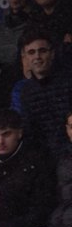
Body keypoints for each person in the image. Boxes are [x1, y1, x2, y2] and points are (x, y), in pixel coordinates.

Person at [17, 27, 72, 156]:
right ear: (25, 57)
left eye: (42, 51)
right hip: (43, 158)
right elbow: (29, 133)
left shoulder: (69, 82)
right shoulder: (26, 92)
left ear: (52, 54)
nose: (37, 57)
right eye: (31, 52)